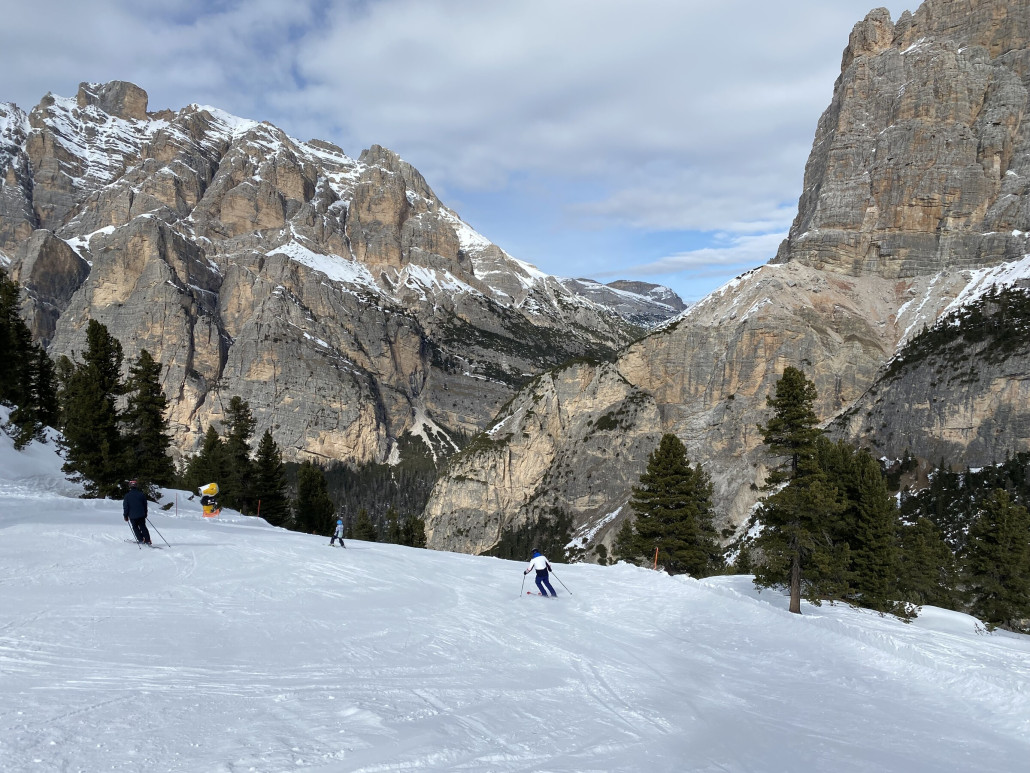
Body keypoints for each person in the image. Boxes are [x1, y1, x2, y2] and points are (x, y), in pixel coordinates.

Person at [123, 480, 152, 545]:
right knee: (143, 527)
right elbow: (145, 505)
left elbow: (126, 507)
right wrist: (145, 513)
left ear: (130, 486)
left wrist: (125, 516)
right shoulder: (141, 494)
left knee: (135, 527)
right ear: (136, 486)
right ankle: (147, 540)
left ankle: (141, 540)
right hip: (141, 515)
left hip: (132, 516)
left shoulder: (127, 496)